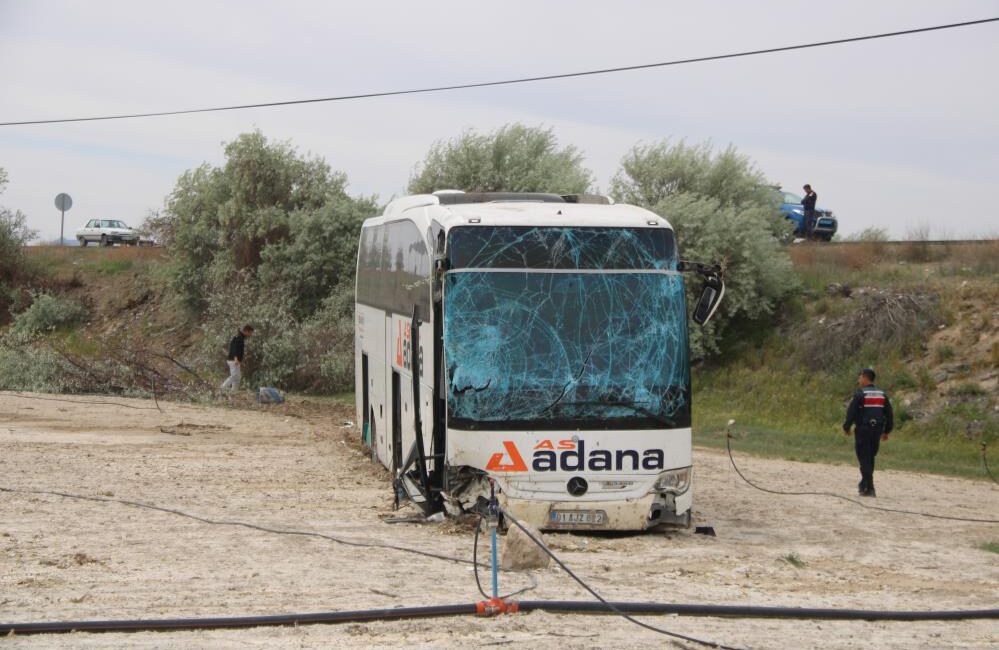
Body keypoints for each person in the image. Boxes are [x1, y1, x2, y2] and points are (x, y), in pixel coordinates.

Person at [843, 368, 893, 497]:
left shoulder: (861, 394)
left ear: (865, 378)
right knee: (870, 457)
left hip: (863, 430)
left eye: (860, 377)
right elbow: (889, 414)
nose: (859, 380)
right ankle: (864, 484)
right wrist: (887, 430)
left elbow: (851, 412)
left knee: (864, 458)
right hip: (877, 430)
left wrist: (846, 427)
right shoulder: (882, 394)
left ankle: (870, 487)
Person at [220, 325, 254, 393]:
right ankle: (222, 387)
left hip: (234, 360)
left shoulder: (239, 337)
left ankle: (234, 391)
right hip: (233, 360)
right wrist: (236, 359)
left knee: (238, 377)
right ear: (246, 331)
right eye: (250, 332)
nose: (251, 334)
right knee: (235, 375)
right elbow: (234, 349)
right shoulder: (239, 338)